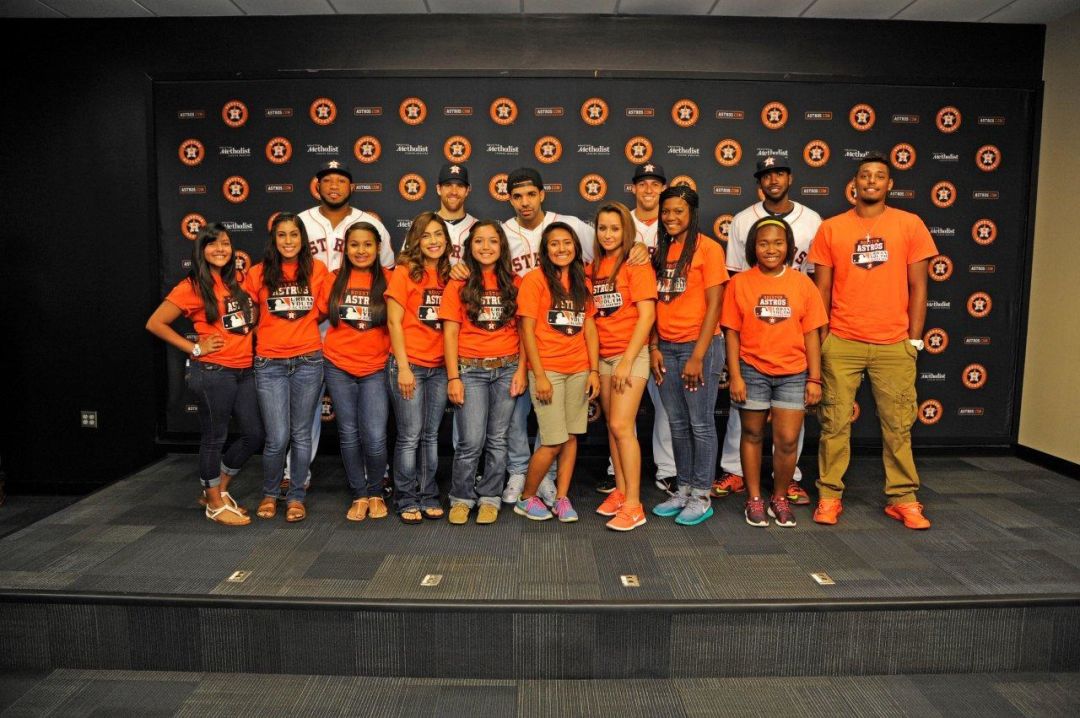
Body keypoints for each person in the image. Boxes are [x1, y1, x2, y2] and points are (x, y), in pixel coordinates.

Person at [808, 152, 937, 530]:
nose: (871, 181)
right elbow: (822, 289)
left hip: (893, 342)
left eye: (879, 176)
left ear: (889, 184)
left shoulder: (909, 224)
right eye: (865, 175)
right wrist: (825, 336)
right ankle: (829, 496)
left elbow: (919, 287)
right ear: (855, 182)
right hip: (843, 341)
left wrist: (913, 340)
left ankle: (903, 499)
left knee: (898, 425)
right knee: (833, 424)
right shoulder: (832, 228)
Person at [716, 154, 823, 505]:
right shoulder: (745, 220)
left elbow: (817, 282)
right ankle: (737, 473)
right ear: (758, 181)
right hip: (752, 349)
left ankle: (787, 480)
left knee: (789, 431)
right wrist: (734, 368)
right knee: (747, 422)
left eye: (779, 173)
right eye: (766, 174)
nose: (773, 179)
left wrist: (815, 376)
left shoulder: (812, 220)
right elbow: (734, 274)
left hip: (792, 345)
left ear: (790, 178)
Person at [288, 160, 395, 493]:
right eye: (327, 180)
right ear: (316, 186)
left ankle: (376, 474)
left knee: (369, 419)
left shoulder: (368, 223)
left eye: (341, 180)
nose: (334, 186)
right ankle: (296, 474)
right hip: (310, 325)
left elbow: (386, 273)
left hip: (363, 329)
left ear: (352, 187)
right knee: (305, 409)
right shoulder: (301, 222)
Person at [146, 223, 262, 526]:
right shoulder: (192, 286)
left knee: (254, 434)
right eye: (212, 244)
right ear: (201, 250)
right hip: (213, 372)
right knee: (214, 438)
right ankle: (213, 502)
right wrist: (194, 348)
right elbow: (155, 323)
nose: (220, 249)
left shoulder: (239, 280)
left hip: (244, 371)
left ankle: (218, 489)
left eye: (224, 243)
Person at [649, 186, 728, 526]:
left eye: (678, 211)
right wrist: (653, 346)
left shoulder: (708, 248)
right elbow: (654, 303)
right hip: (666, 346)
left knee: (700, 423)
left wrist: (698, 355)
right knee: (677, 424)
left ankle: (701, 494)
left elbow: (715, 305)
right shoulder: (661, 249)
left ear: (692, 213)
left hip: (701, 347)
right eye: (666, 211)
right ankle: (682, 488)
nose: (671, 217)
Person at [244, 213, 330, 523]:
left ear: (303, 239)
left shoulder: (317, 270)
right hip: (269, 362)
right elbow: (249, 313)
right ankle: (270, 493)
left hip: (308, 360)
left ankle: (296, 496)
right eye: (282, 235)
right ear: (274, 240)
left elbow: (321, 311)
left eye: (294, 235)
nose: (289, 241)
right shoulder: (258, 273)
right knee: (277, 437)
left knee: (301, 434)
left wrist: (299, 331)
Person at [440, 221, 527, 525]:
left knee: (498, 439)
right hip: (471, 370)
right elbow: (450, 333)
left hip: (507, 368)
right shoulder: (458, 283)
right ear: (470, 247)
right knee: (470, 441)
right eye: (479, 241)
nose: (486, 247)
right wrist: (454, 377)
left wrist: (523, 370)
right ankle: (462, 497)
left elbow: (524, 331)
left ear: (502, 246)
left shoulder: (516, 283)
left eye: (492, 241)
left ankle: (490, 496)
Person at [514, 222, 600, 522]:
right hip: (549, 370)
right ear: (545, 249)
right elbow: (526, 328)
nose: (561, 249)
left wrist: (593, 370)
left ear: (575, 246)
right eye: (554, 244)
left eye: (567, 243)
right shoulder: (534, 280)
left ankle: (563, 498)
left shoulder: (581, 282)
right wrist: (538, 375)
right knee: (552, 441)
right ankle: (526, 497)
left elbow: (588, 327)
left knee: (572, 437)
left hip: (578, 369)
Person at [318, 222, 392, 521]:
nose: (361, 251)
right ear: (345, 249)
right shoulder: (332, 280)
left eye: (367, 245)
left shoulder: (391, 279)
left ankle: (376, 491)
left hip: (376, 366)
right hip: (338, 365)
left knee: (374, 436)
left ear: (378, 248)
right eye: (354, 245)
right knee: (348, 434)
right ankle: (359, 494)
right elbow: (307, 318)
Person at [590, 202, 657, 531]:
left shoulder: (636, 264)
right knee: (612, 430)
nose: (608, 234)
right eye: (602, 228)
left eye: (615, 228)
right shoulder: (595, 267)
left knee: (621, 426)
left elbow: (647, 315)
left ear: (626, 231)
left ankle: (634, 504)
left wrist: (627, 361)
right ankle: (620, 490)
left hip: (629, 356)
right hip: (604, 356)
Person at [386, 212, 452, 524]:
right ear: (416, 240)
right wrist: (403, 368)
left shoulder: (452, 274)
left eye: (438, 234)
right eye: (426, 235)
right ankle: (405, 497)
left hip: (439, 367)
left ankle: (427, 494)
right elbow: (393, 322)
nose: (433, 241)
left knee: (429, 434)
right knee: (409, 435)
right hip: (409, 364)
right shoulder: (405, 272)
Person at [629, 163, 678, 494]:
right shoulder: (622, 222)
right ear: (633, 188)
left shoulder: (674, 224)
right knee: (623, 407)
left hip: (664, 324)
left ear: (663, 188)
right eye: (642, 183)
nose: (649, 189)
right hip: (627, 326)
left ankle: (668, 468)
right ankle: (614, 464)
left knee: (665, 404)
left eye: (655, 183)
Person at [434, 163, 478, 264]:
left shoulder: (478, 228)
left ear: (467, 190)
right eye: (448, 185)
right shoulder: (422, 226)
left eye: (460, 185)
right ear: (438, 189)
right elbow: (406, 265)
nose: (454, 191)